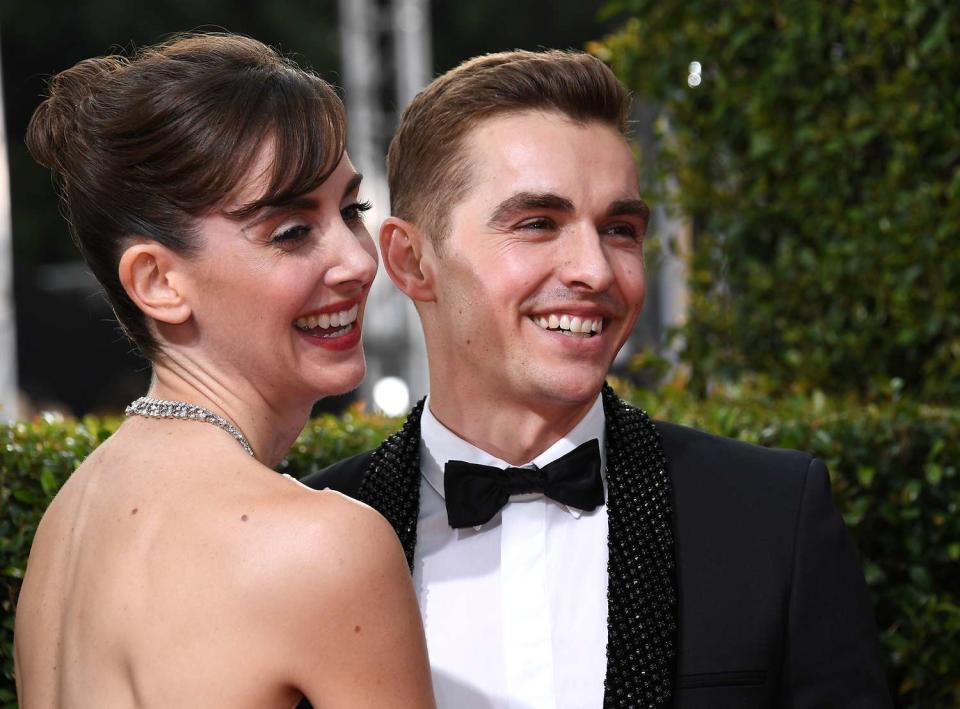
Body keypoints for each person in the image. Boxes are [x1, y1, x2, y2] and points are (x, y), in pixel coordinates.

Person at [302, 50, 892, 708]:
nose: (596, 270)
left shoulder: (773, 517)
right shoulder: (306, 543)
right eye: (537, 224)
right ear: (411, 262)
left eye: (620, 229)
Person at [14, 33, 435, 709]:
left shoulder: (63, 529)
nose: (358, 262)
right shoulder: (322, 545)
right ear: (157, 281)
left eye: (351, 210)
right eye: (292, 232)